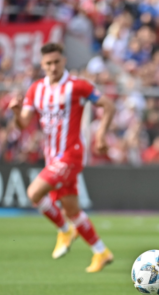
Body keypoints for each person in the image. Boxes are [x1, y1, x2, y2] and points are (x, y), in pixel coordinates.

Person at [8, 43, 116, 273]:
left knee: (34, 193)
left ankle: (64, 230)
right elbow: (24, 123)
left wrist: (100, 135)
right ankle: (101, 251)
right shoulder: (36, 89)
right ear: (42, 64)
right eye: (48, 63)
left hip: (71, 154)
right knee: (72, 210)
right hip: (52, 157)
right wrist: (16, 112)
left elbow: (108, 105)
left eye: (56, 62)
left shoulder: (77, 86)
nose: (52, 67)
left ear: (64, 61)